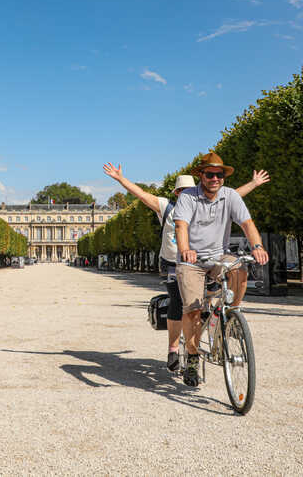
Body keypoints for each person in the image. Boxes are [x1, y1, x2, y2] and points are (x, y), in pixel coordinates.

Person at [103, 162, 269, 371]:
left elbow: (233, 196)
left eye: (188, 189)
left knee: (219, 291)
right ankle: (175, 348)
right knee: (181, 304)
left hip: (209, 260)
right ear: (177, 192)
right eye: (181, 190)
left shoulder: (210, 198)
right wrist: (121, 179)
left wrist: (253, 183)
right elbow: (143, 195)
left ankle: (226, 318)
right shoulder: (168, 207)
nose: (185, 193)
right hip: (175, 262)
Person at [173, 153, 269, 386]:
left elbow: (247, 224)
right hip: (192, 260)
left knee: (240, 269)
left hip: (218, 256)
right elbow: (181, 225)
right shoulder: (187, 197)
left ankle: (233, 315)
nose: (215, 178)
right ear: (201, 176)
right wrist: (186, 249)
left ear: (223, 177)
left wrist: (257, 246)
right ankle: (193, 358)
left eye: (219, 174)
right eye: (210, 174)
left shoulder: (231, 196)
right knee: (193, 310)